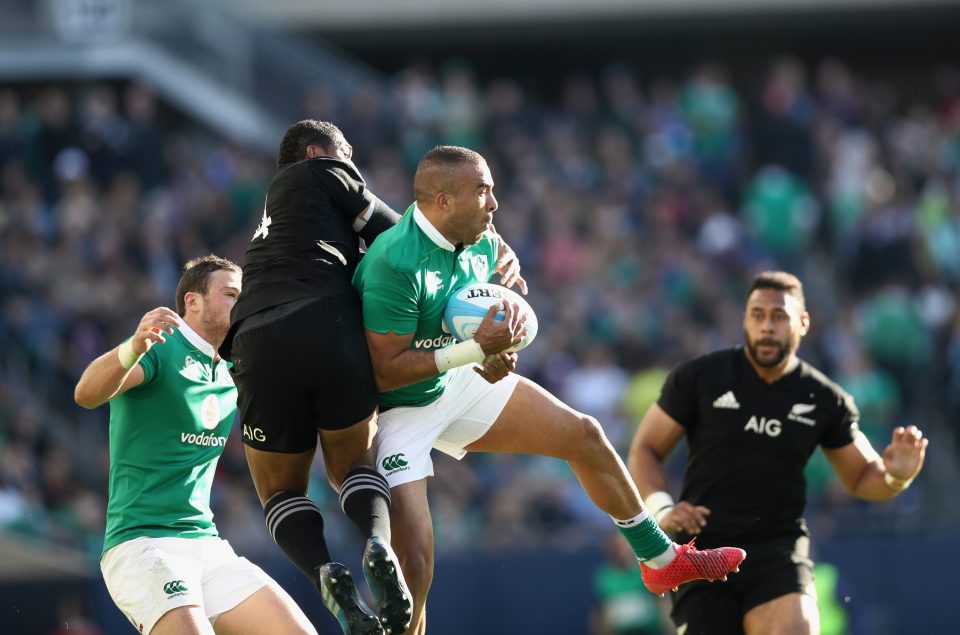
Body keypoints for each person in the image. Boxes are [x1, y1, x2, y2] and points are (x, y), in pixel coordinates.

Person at [352, 145, 746, 635]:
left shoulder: (476, 236)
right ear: (442, 200)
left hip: (454, 380)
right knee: (416, 562)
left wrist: (492, 352)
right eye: (483, 192)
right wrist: (476, 351)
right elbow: (384, 372)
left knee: (583, 433)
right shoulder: (394, 263)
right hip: (395, 412)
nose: (495, 203)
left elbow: (486, 263)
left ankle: (661, 559)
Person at [222, 121, 523, 635]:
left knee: (280, 492)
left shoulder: (274, 221)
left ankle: (325, 572)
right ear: (318, 153)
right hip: (328, 322)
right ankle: (377, 543)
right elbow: (406, 232)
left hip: (256, 336)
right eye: (347, 155)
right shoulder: (320, 171)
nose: (353, 165)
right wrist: (484, 246)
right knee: (352, 468)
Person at [626, 271, 929, 635]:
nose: (767, 326)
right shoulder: (701, 377)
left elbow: (863, 477)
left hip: (778, 551)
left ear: (803, 322)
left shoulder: (825, 398)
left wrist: (898, 475)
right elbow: (645, 448)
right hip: (703, 554)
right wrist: (663, 509)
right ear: (745, 321)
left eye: (779, 316)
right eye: (757, 315)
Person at [75, 255, 316, 635]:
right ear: (193, 302)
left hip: (205, 544)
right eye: (231, 295)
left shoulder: (232, 368)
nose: (242, 304)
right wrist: (130, 349)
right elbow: (85, 393)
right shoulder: (159, 346)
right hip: (142, 544)